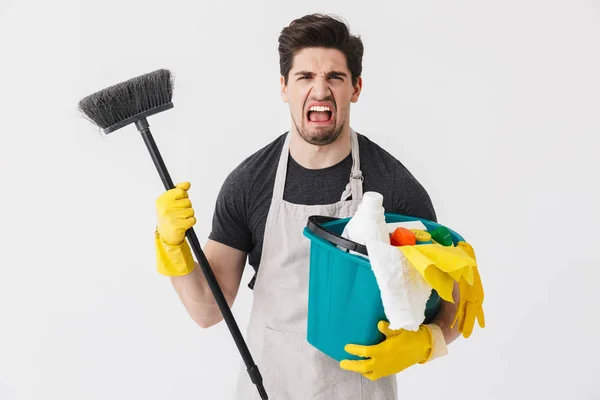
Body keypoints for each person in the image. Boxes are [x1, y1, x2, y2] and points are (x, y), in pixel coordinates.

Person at [154, 13, 483, 400]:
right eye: (305, 77)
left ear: (356, 88)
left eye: (335, 77)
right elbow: (209, 310)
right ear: (284, 87)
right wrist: (171, 247)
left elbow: (451, 308)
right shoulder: (248, 184)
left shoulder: (395, 188)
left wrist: (424, 342)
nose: (320, 90)